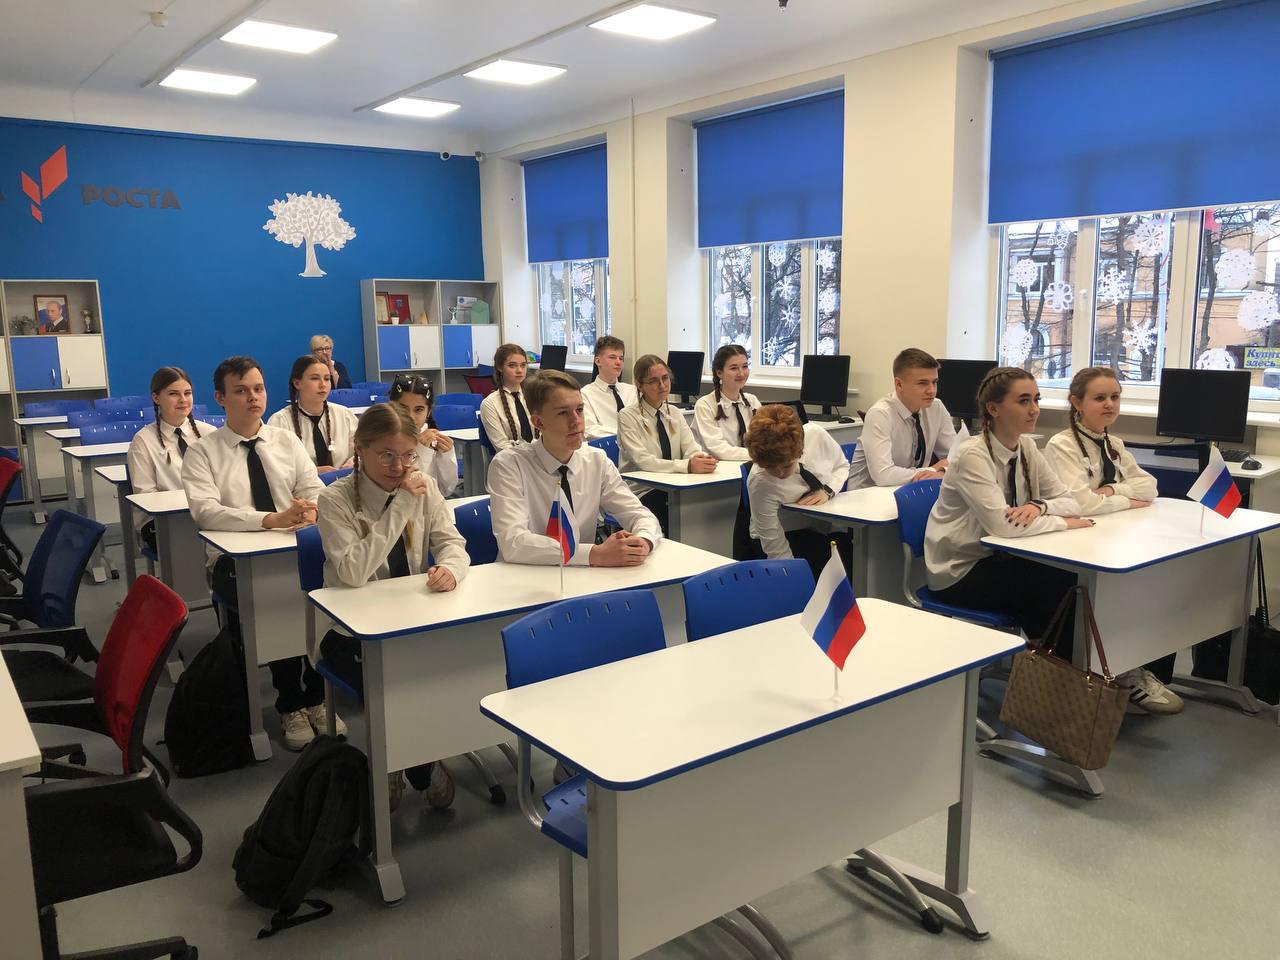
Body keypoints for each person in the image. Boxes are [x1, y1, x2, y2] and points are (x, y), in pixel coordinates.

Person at [181, 355, 340, 751]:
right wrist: (270, 520)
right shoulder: (203, 452)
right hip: (235, 562)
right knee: (277, 600)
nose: (253, 397)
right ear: (220, 398)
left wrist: (310, 510)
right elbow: (206, 511)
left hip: (295, 546)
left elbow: (314, 489)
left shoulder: (286, 442)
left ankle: (317, 696)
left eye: (258, 388)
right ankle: (291, 702)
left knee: (323, 599)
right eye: (240, 391)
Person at [318, 403, 470, 809]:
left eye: (408, 455)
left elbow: (452, 543)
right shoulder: (334, 500)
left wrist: (451, 570)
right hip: (351, 632)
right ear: (360, 450)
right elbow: (353, 572)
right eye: (386, 455)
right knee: (400, 678)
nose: (400, 467)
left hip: (415, 615)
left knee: (459, 663)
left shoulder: (423, 485)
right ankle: (408, 761)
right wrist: (401, 505)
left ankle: (410, 756)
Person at [924, 366, 1092, 655]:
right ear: (993, 409)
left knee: (1070, 580)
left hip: (1004, 556)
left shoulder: (1026, 448)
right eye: (1023, 401)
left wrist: (1039, 506)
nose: (1034, 409)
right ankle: (1056, 670)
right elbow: (1002, 526)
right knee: (1052, 586)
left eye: (1036, 399)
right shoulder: (972, 455)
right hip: (960, 569)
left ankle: (1063, 665)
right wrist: (1064, 523)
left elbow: (1071, 503)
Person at [1044, 366, 1182, 714]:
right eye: (1100, 398)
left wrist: (1110, 491)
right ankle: (1115, 672)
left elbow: (1150, 488)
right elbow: (1080, 503)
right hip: (1075, 542)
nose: (1109, 404)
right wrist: (1124, 498)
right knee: (1119, 589)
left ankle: (1131, 664)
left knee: (1152, 581)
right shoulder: (1062, 445)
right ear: (1077, 402)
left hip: (1110, 534)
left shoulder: (1113, 444)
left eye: (1115, 397)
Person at [487, 369, 662, 565]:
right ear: (538, 422)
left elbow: (638, 514)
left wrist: (643, 541)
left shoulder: (596, 460)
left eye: (579, 410)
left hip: (583, 573)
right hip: (525, 573)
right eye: (563, 413)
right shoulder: (509, 465)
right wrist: (593, 554)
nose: (576, 421)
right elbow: (513, 543)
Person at [744, 404, 852, 579]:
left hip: (819, 527)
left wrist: (827, 491)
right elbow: (776, 548)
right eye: (770, 467)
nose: (780, 474)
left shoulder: (816, 435)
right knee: (816, 573)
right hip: (784, 533)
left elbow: (841, 466)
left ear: (800, 450)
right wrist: (795, 578)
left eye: (787, 465)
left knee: (849, 558)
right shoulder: (759, 480)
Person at [617, 354, 717, 536]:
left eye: (665, 378)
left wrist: (700, 458)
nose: (662, 385)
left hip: (674, 484)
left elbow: (691, 448)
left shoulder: (675, 413)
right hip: (643, 489)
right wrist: (687, 466)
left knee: (707, 500)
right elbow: (644, 461)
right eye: (653, 381)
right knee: (678, 509)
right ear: (639, 384)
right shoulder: (627, 416)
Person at [127, 366, 219, 551]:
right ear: (156, 398)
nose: (183, 399)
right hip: (163, 521)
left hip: (208, 513)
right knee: (196, 545)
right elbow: (146, 496)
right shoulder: (143, 441)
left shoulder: (209, 433)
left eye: (187, 393)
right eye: (173, 394)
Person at [848, 348, 956, 489]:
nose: (931, 390)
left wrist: (943, 471)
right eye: (922, 383)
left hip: (911, 488)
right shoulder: (880, 414)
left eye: (934, 382)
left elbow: (956, 456)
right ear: (899, 384)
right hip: (867, 494)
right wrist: (932, 470)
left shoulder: (936, 407)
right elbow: (883, 475)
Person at [693, 344, 761, 558]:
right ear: (719, 372)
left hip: (748, 470)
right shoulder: (705, 404)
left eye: (745, 366)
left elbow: (763, 439)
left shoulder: (752, 401)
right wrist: (758, 455)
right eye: (733, 368)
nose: (741, 373)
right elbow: (718, 449)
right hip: (718, 475)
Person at [267, 355, 358, 473]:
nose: (323, 384)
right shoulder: (280, 422)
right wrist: (312, 472)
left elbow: (363, 450)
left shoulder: (345, 415)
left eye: (327, 379)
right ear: (297, 383)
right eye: (315, 378)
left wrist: (353, 462)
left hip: (344, 482)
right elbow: (276, 467)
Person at [388, 373, 458, 496]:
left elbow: (446, 490)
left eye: (418, 410)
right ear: (391, 407)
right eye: (403, 408)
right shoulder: (383, 442)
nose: (410, 416)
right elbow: (405, 491)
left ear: (428, 412)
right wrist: (420, 450)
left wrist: (447, 456)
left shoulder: (433, 440)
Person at [479, 343, 535, 453]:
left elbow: (545, 435)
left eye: (523, 365)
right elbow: (501, 446)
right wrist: (530, 457)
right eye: (512, 365)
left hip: (540, 457)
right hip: (511, 459)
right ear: (500, 367)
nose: (519, 370)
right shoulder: (490, 403)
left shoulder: (533, 396)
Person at [581, 336, 636, 439]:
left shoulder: (632, 391)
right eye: (612, 357)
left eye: (621, 358)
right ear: (598, 361)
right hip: (605, 445)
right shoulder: (585, 394)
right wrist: (625, 434)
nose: (618, 362)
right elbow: (590, 429)